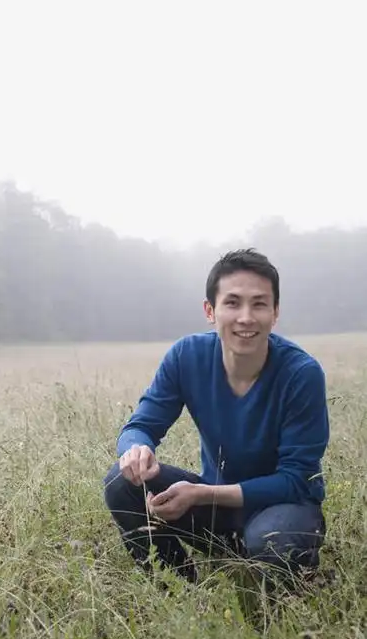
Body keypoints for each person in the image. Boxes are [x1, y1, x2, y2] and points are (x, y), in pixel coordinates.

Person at [103, 249, 329, 588]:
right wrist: (136, 449)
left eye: (259, 304)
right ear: (210, 310)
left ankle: (281, 583)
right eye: (232, 303)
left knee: (273, 541)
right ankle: (179, 590)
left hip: (284, 508)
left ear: (275, 312)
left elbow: (297, 480)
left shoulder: (301, 373)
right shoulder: (186, 356)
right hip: (217, 511)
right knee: (121, 482)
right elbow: (141, 426)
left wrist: (201, 493)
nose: (246, 317)